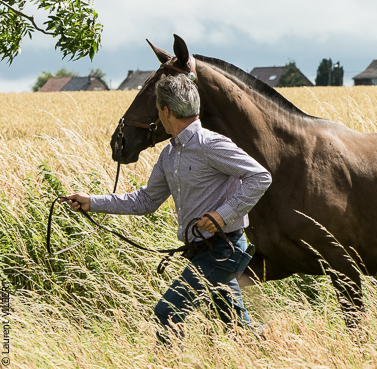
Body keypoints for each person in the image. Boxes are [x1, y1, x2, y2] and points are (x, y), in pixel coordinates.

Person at [63, 74, 272, 344]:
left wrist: (223, 214)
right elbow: (146, 201)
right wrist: (92, 201)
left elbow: (260, 177)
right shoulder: (170, 154)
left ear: (165, 110)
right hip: (200, 251)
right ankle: (273, 346)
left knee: (168, 312)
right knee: (237, 326)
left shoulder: (211, 145)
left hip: (224, 249)